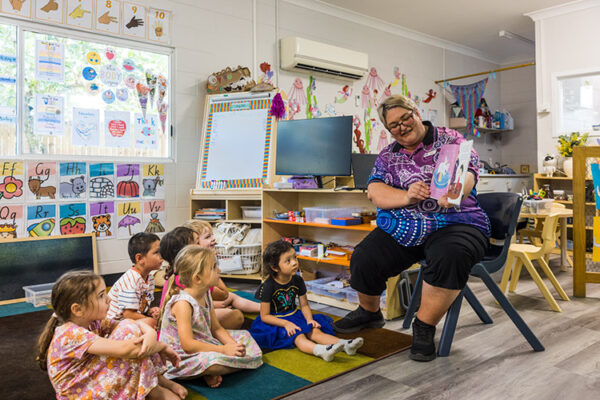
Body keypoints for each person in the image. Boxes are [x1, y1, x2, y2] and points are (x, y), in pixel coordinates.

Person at [332, 94, 490, 362]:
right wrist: (407, 196)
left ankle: (424, 326)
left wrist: (454, 194)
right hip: (405, 225)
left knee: (450, 255)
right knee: (364, 256)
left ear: (416, 112)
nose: (402, 126)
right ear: (389, 130)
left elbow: (468, 174)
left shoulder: (451, 139)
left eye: (405, 117)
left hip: (455, 222)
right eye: (394, 125)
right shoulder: (388, 155)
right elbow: (374, 190)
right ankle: (369, 312)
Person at [36, 270, 188, 400]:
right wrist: (160, 345)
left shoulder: (92, 321)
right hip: (80, 394)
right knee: (129, 336)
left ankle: (157, 382)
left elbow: (132, 324)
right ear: (77, 309)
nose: (109, 299)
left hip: (90, 380)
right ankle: (154, 390)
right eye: (101, 296)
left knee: (129, 327)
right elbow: (129, 349)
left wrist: (149, 332)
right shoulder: (69, 333)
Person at [158, 245, 263, 388]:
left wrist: (231, 345)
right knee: (213, 363)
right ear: (197, 278)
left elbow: (217, 328)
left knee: (244, 337)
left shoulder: (206, 293)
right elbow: (188, 345)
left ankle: (215, 368)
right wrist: (224, 350)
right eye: (214, 267)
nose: (219, 270)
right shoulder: (183, 303)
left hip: (204, 343)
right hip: (181, 357)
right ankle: (208, 372)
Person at [250, 240, 363, 361]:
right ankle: (321, 351)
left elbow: (304, 305)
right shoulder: (268, 286)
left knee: (315, 330)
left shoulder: (297, 280)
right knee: (298, 336)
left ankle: (346, 345)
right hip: (276, 322)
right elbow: (265, 316)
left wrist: (309, 320)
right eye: (288, 261)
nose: (294, 263)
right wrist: (286, 324)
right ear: (274, 267)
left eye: (295, 257)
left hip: (294, 315)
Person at [158, 226, 245, 330]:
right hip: (184, 336)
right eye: (197, 243)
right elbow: (224, 294)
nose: (202, 245)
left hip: (192, 326)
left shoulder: (178, 275)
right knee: (236, 316)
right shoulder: (188, 280)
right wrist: (209, 262)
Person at [183, 220, 261, 314]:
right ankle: (266, 310)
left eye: (212, 235)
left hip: (204, 303)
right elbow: (224, 293)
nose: (213, 239)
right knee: (235, 312)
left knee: (232, 297)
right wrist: (212, 304)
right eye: (208, 237)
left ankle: (265, 309)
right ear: (194, 244)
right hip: (196, 311)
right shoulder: (196, 267)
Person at [107, 232, 163, 328]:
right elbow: (128, 314)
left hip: (128, 322)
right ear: (140, 258)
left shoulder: (149, 278)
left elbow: (138, 307)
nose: (162, 255)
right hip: (114, 325)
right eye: (156, 252)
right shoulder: (131, 280)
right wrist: (151, 321)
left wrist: (149, 311)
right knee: (154, 325)